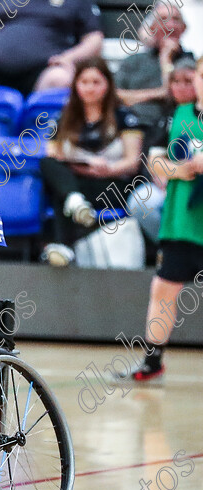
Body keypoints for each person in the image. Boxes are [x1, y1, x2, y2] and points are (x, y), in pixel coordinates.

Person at [121, 56, 203, 381]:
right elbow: (156, 164)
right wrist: (186, 168)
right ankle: (153, 362)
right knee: (164, 289)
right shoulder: (176, 117)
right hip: (182, 222)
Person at [40, 57, 145, 267]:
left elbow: (133, 162)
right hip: (79, 183)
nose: (90, 88)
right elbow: (53, 154)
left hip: (113, 184)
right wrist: (82, 164)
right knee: (47, 165)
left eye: (96, 82)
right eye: (84, 82)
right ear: (76, 85)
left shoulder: (125, 117)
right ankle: (75, 203)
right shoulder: (65, 118)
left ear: (107, 84)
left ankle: (64, 245)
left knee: (65, 194)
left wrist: (108, 169)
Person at [126, 59, 198, 243]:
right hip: (169, 181)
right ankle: (168, 248)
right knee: (140, 201)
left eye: (188, 81)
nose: (181, 87)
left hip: (197, 183)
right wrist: (167, 173)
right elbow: (153, 159)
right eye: (176, 81)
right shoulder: (165, 117)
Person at [115, 1, 194, 129]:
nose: (170, 25)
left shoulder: (192, 65)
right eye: (163, 19)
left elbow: (173, 95)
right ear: (152, 28)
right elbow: (112, 95)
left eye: (175, 19)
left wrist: (165, 60)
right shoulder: (134, 61)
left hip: (176, 131)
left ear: (184, 28)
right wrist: (157, 93)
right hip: (133, 128)